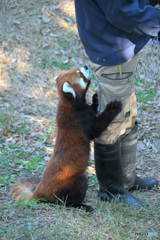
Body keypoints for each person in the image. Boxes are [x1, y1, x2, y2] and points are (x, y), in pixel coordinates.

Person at [74, 0, 159, 206]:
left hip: (119, 40)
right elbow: (122, 11)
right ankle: (111, 190)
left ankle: (126, 179)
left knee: (127, 109)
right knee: (114, 117)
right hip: (111, 43)